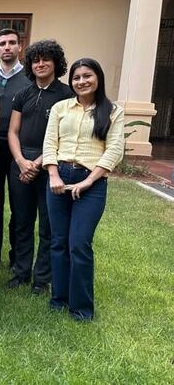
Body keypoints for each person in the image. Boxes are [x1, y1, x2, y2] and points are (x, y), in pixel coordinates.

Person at [43, 58, 124, 321]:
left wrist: (89, 181)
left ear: (97, 77)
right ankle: (59, 299)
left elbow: (114, 149)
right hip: (59, 178)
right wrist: (53, 174)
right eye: (76, 78)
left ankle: (81, 308)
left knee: (79, 243)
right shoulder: (60, 108)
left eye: (87, 76)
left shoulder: (112, 111)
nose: (81, 82)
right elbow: (49, 143)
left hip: (92, 182)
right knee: (58, 242)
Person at [7, 40, 73, 294]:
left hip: (50, 165)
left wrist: (37, 163)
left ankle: (41, 278)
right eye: (36, 60)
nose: (41, 64)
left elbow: (62, 137)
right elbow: (13, 131)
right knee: (22, 221)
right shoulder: (23, 94)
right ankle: (21, 272)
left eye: (46, 59)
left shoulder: (66, 96)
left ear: (56, 63)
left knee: (47, 225)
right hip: (20, 164)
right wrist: (21, 161)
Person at [0, 28, 31, 266]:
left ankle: (16, 257)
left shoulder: (29, 80)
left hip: (17, 150)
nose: (7, 47)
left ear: (19, 47)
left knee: (18, 205)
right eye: (2, 43)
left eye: (12, 43)